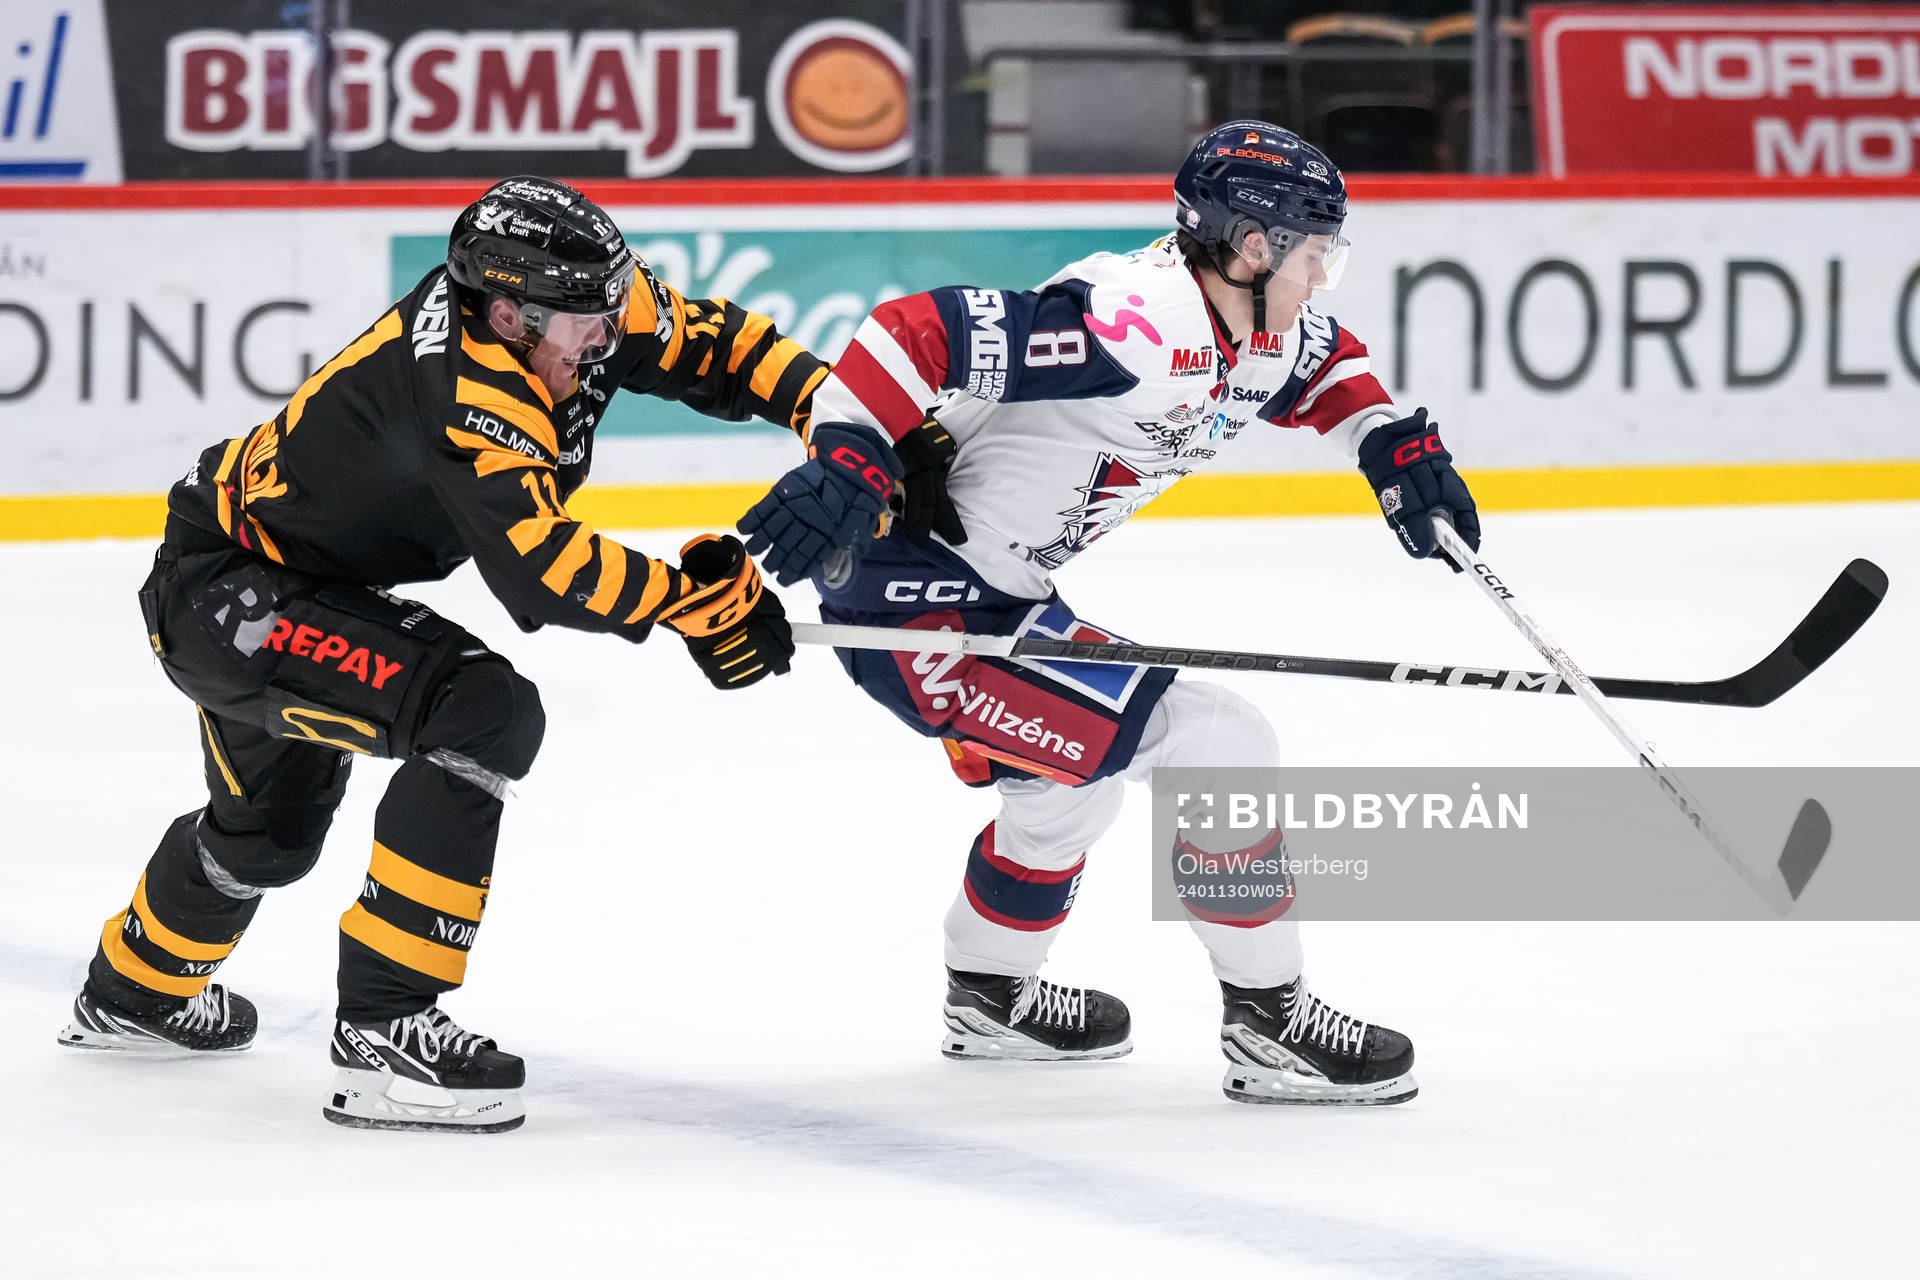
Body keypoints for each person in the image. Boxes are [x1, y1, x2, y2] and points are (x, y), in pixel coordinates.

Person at [739, 121, 1480, 1105]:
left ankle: (990, 994)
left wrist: (1388, 437)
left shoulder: (1253, 316)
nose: (1322, 275)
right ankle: (1269, 1021)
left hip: (1000, 594)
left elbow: (1321, 364)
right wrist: (846, 453)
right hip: (920, 609)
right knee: (1220, 740)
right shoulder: (1137, 324)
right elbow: (915, 330)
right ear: (1253, 247)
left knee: (1065, 790)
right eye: (1316, 253)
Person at [58, 176, 814, 1133]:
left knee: (268, 834)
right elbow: (541, 571)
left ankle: (131, 998)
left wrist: (842, 417)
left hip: (271, 579)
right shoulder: (467, 392)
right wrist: (686, 602)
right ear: (508, 312)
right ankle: (385, 1028)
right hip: (236, 600)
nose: (612, 334)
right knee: (481, 711)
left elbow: (713, 341)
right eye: (588, 319)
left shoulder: (573, 306)